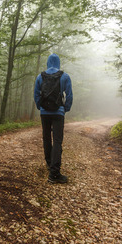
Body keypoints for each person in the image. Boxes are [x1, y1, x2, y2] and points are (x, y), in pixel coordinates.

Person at [34, 53, 73, 184]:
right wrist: (65, 108)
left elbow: (36, 94)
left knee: (46, 137)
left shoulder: (40, 76)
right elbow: (69, 95)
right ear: (58, 63)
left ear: (48, 62)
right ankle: (54, 174)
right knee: (57, 140)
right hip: (58, 113)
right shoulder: (65, 76)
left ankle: (49, 163)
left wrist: (40, 107)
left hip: (44, 113)